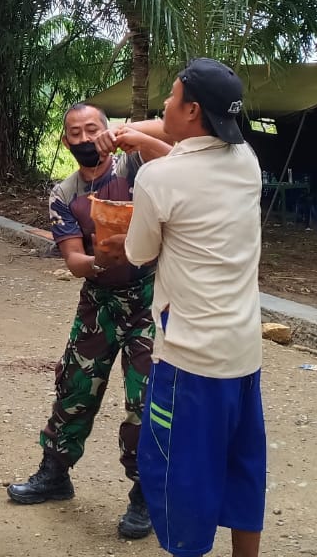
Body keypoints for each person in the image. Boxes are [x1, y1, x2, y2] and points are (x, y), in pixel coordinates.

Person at [6, 102, 170, 541]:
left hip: (149, 299)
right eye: (75, 133)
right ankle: (54, 473)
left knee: (145, 399)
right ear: (65, 141)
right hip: (98, 300)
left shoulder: (135, 167)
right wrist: (99, 258)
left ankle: (145, 495)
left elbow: (180, 146)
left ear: (107, 132)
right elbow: (73, 259)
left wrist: (130, 133)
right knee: (75, 387)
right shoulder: (65, 194)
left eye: (92, 129)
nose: (84, 139)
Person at [123, 58, 266, 557]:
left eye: (172, 96)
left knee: (180, 477)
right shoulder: (247, 161)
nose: (164, 102)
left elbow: (139, 253)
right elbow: (184, 163)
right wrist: (138, 138)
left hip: (189, 362)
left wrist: (141, 147)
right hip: (243, 356)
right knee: (242, 468)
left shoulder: (157, 181)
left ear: (193, 110)